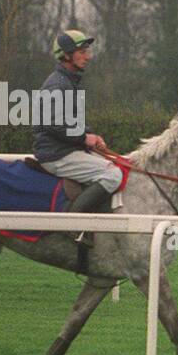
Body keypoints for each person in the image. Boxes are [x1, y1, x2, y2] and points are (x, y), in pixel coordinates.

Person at [34, 30, 121, 246]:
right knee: (113, 175)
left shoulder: (68, 81)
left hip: (64, 149)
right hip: (56, 154)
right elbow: (53, 124)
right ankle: (73, 226)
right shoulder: (58, 84)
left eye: (87, 51)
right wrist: (84, 138)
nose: (88, 56)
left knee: (117, 166)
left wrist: (91, 135)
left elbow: (72, 121)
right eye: (82, 52)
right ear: (66, 55)